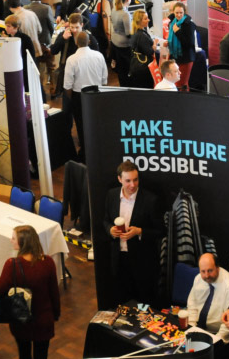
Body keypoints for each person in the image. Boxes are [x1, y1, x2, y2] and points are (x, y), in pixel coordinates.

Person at [104, 160, 164, 305]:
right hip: (119, 260)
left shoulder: (150, 200)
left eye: (135, 180)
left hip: (142, 262)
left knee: (144, 302)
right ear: (119, 179)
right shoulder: (111, 195)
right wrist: (110, 230)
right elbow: (105, 220)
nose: (132, 185)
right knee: (121, 300)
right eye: (128, 181)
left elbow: (161, 231)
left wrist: (139, 231)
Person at [0, 225, 61, 359]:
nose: (11, 240)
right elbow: (54, 292)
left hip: (21, 319)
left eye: (13, 238)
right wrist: (55, 314)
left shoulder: (11, 265)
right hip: (44, 319)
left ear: (22, 242)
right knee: (41, 354)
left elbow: (0, 291)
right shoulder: (48, 262)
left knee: (24, 354)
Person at [64, 32, 108, 158]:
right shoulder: (99, 56)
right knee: (96, 121)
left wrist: (72, 98)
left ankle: (84, 152)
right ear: (89, 42)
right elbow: (104, 79)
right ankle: (98, 148)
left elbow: (67, 85)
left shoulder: (72, 59)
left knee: (80, 123)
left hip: (79, 95)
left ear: (76, 42)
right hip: (96, 92)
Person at [187, 252, 229, 343]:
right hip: (198, 328)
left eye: (210, 270)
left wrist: (215, 341)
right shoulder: (198, 278)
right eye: (203, 271)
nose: (206, 276)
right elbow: (192, 304)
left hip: (217, 334)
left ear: (217, 268)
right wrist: (191, 328)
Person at [167, 2, 196, 90]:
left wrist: (178, 32)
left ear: (184, 12)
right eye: (177, 13)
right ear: (173, 12)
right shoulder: (172, 22)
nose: (179, 15)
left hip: (186, 58)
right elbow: (171, 38)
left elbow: (189, 43)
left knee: (182, 84)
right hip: (175, 57)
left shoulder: (189, 24)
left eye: (181, 13)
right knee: (177, 83)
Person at [129, 10, 157, 89]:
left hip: (137, 69)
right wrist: (154, 44)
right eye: (146, 18)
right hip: (143, 70)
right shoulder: (142, 35)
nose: (149, 20)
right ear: (139, 21)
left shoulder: (135, 32)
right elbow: (149, 52)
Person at [3, 16, 37, 81]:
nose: (6, 28)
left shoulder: (25, 38)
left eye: (9, 26)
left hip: (24, 68)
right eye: (6, 26)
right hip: (14, 66)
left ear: (16, 27)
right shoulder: (9, 37)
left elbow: (31, 56)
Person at [109, 0, 132, 86]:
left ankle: (122, 85)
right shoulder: (125, 14)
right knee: (126, 68)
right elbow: (128, 33)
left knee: (120, 68)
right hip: (124, 45)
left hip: (114, 41)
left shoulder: (114, 10)